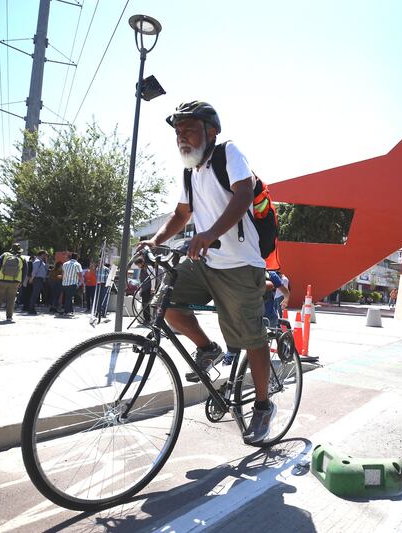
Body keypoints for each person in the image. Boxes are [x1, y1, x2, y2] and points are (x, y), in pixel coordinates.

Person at [139, 101, 273, 444]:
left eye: (190, 130)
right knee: (165, 303)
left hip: (242, 264)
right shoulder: (190, 171)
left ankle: (262, 406)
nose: (182, 137)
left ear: (210, 132)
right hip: (207, 263)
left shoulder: (229, 153)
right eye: (178, 132)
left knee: (252, 338)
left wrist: (211, 233)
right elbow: (182, 214)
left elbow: (243, 195)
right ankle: (208, 348)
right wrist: (154, 241)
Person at [0, 243, 26, 322]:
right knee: (11, 299)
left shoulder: (5, 255)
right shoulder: (22, 258)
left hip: (2, 280)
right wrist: (21, 281)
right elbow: (25, 271)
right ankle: (9, 317)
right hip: (15, 282)